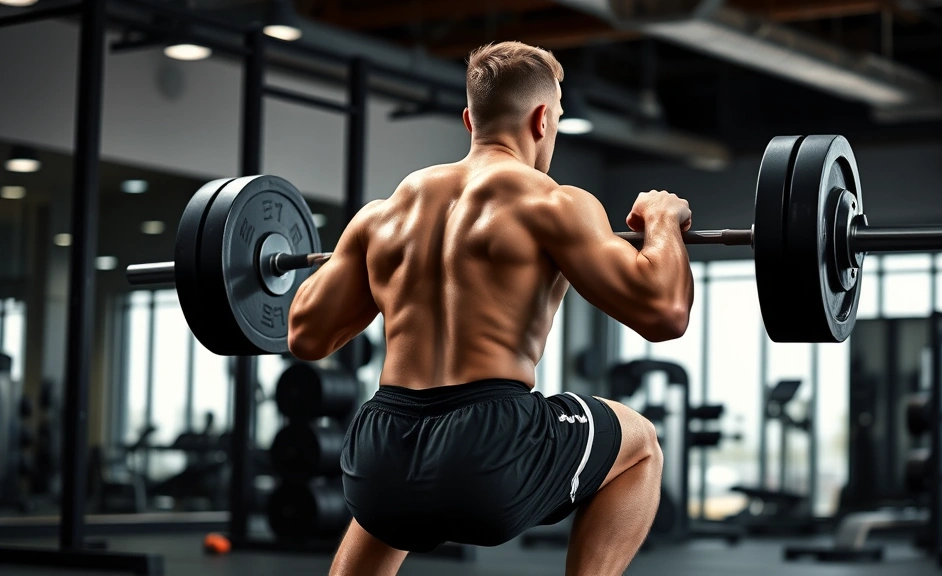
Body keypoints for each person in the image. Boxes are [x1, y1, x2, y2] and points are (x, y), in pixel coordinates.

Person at [288, 41, 695, 576]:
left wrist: (373, 262)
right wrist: (663, 221)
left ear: (468, 120)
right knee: (640, 442)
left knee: (396, 502)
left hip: (379, 451)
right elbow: (665, 312)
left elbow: (305, 336)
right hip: (488, 451)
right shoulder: (551, 202)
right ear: (543, 119)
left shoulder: (382, 216)